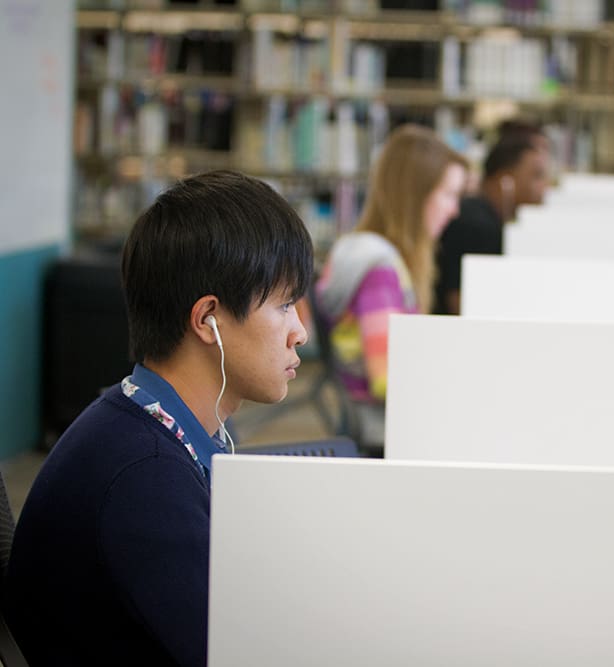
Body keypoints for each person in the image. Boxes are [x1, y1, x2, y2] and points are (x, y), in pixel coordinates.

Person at [4, 170, 313, 666]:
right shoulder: (143, 475)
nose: (299, 332)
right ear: (207, 319)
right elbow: (230, 654)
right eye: (283, 305)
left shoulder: (150, 420)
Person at [315, 124, 467, 444]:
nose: (455, 210)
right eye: (449, 195)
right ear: (417, 196)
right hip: (383, 434)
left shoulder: (360, 250)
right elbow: (384, 380)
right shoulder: (380, 272)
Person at [433, 132, 549, 315]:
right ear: (506, 181)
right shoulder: (480, 227)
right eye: (537, 176)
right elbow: (462, 304)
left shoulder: (478, 213)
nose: (545, 187)